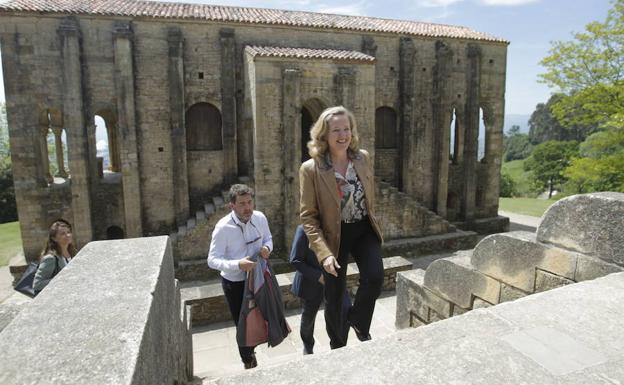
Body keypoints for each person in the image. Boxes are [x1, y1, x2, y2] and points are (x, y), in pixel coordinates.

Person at [299, 105, 384, 349]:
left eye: (346, 129)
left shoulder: (362, 157)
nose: (343, 135)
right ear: (324, 134)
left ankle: (358, 321)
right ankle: (338, 344)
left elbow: (369, 194)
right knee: (334, 297)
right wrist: (323, 254)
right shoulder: (311, 169)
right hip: (333, 236)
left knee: (375, 277)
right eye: (336, 130)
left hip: (363, 229)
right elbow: (308, 217)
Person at [208, 184, 273, 369]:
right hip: (235, 283)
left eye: (250, 202)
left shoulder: (259, 218)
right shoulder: (223, 227)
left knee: (264, 315)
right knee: (243, 324)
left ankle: (264, 343)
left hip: (259, 277)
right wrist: (237, 264)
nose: (248, 207)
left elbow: (268, 238)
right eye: (242, 204)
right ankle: (249, 361)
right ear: (232, 206)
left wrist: (267, 248)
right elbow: (212, 260)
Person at [289, 224, 351, 354]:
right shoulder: (303, 229)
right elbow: (295, 260)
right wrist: (318, 276)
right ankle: (308, 346)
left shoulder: (334, 226)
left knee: (344, 310)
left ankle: (339, 344)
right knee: (308, 319)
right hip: (311, 283)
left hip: (334, 280)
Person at [33, 219, 77, 294]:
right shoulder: (51, 258)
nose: (68, 235)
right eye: (63, 234)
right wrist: (61, 279)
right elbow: (37, 284)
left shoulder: (74, 253)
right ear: (54, 238)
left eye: (68, 232)